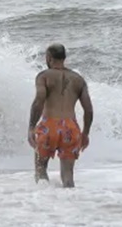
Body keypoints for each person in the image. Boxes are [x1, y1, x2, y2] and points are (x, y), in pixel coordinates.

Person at [27, 43, 93, 187]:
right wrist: (85, 133)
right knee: (68, 176)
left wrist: (31, 127)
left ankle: (43, 205)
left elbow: (39, 101)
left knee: (41, 170)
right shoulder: (78, 79)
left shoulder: (44, 76)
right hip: (71, 127)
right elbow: (88, 110)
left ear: (49, 58)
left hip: (48, 126)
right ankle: (70, 205)